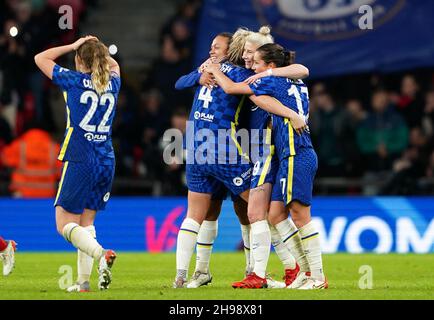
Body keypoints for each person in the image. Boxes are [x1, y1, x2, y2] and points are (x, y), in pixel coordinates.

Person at [174, 29, 307, 288]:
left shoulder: (251, 75)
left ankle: (274, 269)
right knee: (245, 211)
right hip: (228, 149)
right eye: (244, 52)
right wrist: (203, 74)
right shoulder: (234, 73)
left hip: (240, 147)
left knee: (251, 212)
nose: (212, 51)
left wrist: (268, 75)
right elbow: (181, 82)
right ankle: (278, 269)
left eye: (217, 47)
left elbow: (300, 70)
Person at [206, 43, 327, 289]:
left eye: (259, 64)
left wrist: (213, 69)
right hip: (290, 154)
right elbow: (301, 70)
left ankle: (318, 277)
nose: (255, 68)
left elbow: (231, 88)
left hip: (296, 153)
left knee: (301, 216)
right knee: (276, 214)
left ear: (270, 66)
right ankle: (304, 272)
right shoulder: (295, 82)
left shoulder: (270, 82)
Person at [34, 35, 121, 292]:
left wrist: (74, 45)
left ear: (78, 61)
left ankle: (101, 254)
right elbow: (113, 65)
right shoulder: (113, 82)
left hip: (81, 157)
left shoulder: (73, 80)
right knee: (86, 223)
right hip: (106, 159)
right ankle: (83, 283)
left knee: (63, 224)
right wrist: (99, 51)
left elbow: (41, 58)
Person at [1, 121, 62, 198]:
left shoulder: (17, 146)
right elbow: (61, 172)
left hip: (21, 194)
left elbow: (4, 160)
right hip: (47, 195)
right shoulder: (54, 148)